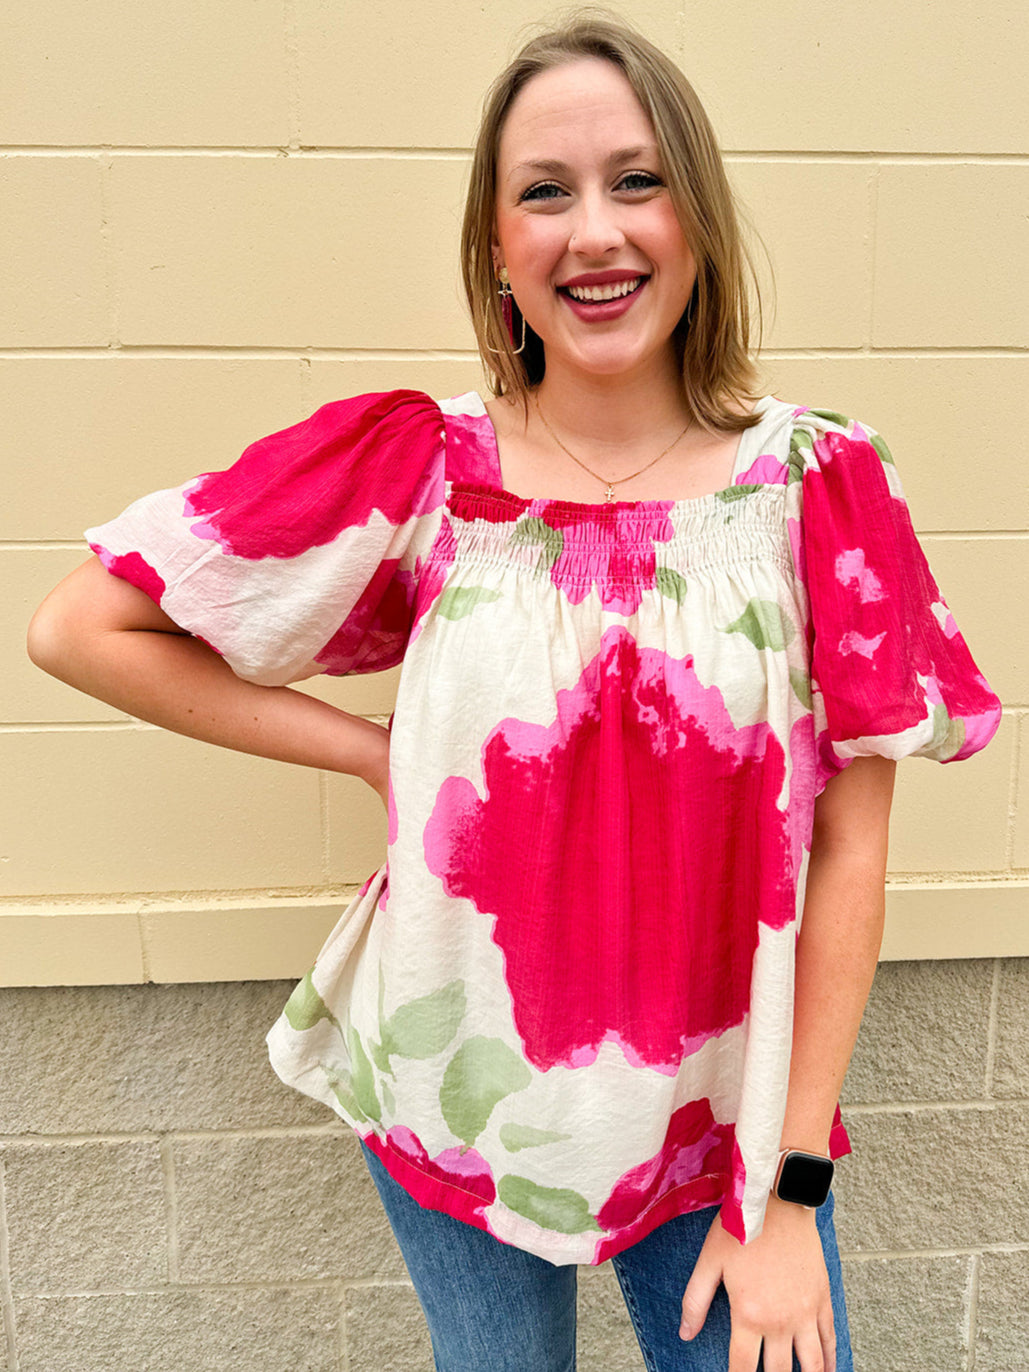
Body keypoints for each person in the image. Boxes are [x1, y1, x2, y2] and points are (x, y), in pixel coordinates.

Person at [27, 9, 1001, 1371]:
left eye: (635, 180)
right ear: (495, 245)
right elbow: (82, 628)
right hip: (455, 1086)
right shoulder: (420, 471)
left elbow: (849, 850)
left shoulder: (816, 485)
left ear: (697, 218)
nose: (593, 231)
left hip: (720, 1119)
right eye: (544, 192)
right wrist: (367, 753)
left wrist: (790, 1191)